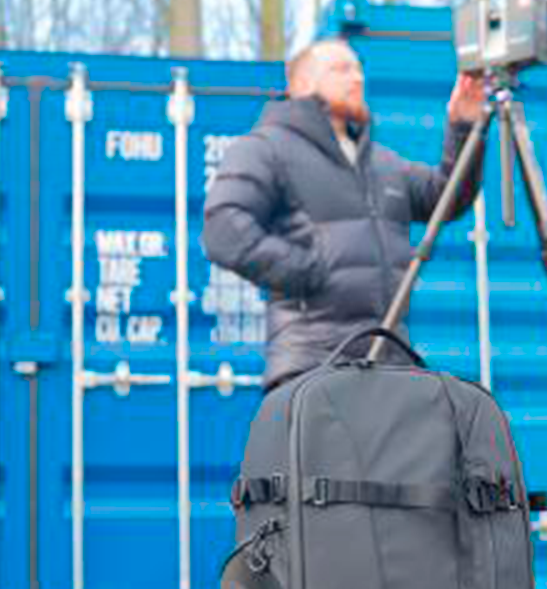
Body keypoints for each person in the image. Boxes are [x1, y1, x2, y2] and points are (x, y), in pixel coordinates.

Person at [202, 38, 487, 388]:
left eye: (358, 69)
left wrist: (463, 126)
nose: (357, 79)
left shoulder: (382, 162)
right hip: (312, 366)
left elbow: (446, 197)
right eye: (341, 69)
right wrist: (310, 270)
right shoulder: (266, 148)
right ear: (303, 83)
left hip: (390, 364)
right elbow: (223, 229)